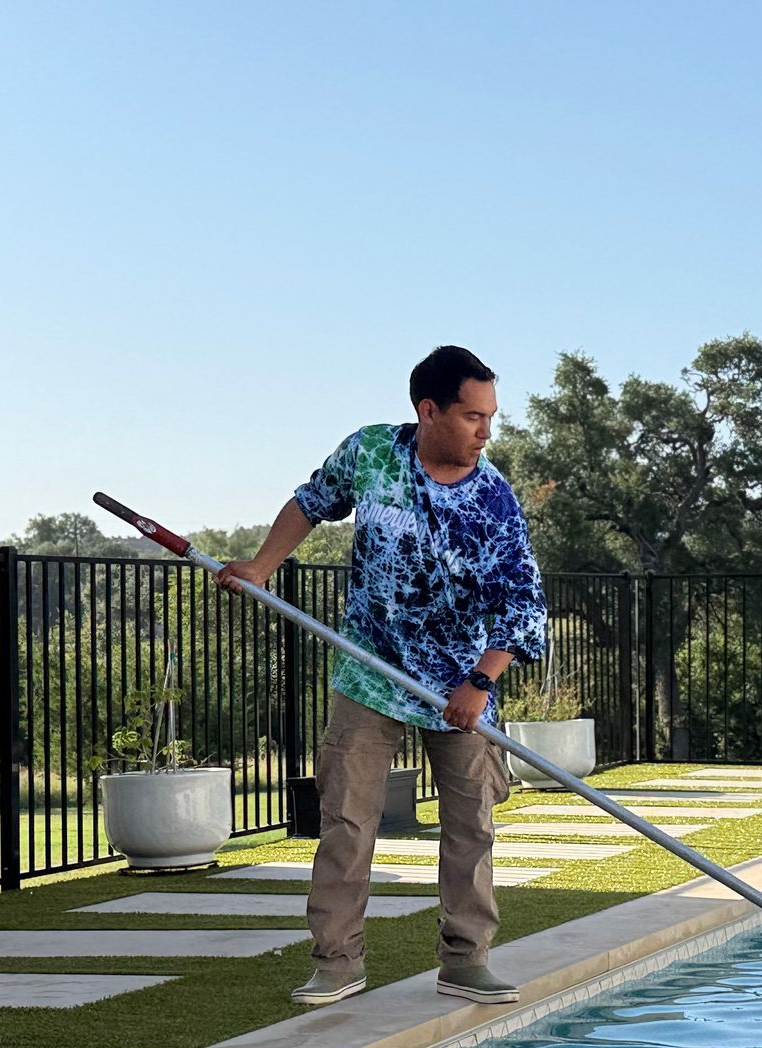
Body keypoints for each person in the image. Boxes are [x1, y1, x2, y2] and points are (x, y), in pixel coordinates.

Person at [216, 346, 547, 1006]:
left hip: (458, 683)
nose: (486, 431)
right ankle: (337, 962)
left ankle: (465, 959)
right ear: (429, 411)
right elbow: (312, 502)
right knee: (345, 821)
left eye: (491, 418)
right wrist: (261, 566)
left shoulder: (492, 499)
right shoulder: (371, 453)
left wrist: (480, 683)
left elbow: (524, 601)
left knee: (470, 828)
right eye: (472, 416)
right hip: (369, 673)